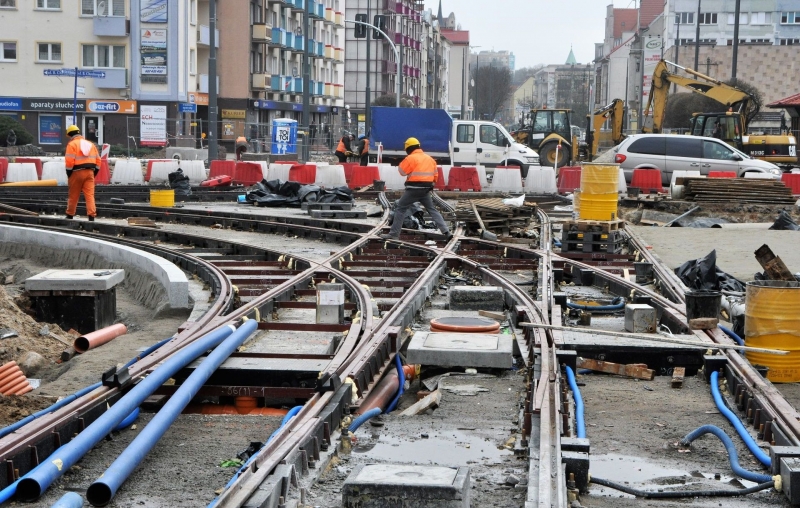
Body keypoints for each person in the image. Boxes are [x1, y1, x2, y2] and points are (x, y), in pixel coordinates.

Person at [380, 137, 452, 241]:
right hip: (426, 189)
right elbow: (435, 176)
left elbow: (401, 171)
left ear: (408, 148)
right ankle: (446, 231)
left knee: (400, 208)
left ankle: (394, 234)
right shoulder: (430, 159)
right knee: (432, 210)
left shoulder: (410, 158)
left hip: (413, 189)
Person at [64, 125, 100, 221]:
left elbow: (69, 162)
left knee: (73, 195)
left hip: (76, 172)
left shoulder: (72, 144)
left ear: (70, 134)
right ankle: (91, 216)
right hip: (90, 172)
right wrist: (94, 173)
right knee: (90, 195)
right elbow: (98, 160)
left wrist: (69, 174)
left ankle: (70, 215)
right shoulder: (91, 144)